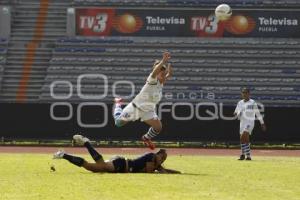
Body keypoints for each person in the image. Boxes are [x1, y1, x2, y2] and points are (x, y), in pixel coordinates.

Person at [112, 51, 173, 150]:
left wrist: (169, 72)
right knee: (118, 123)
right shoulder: (152, 80)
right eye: (160, 70)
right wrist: (163, 62)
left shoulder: (161, 83)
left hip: (148, 111)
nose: (161, 72)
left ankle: (146, 138)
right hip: (135, 108)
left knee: (158, 127)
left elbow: (166, 76)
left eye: (163, 70)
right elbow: (154, 73)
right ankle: (118, 104)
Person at [53, 135, 180, 174]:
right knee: (93, 166)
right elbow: (148, 170)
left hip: (119, 164)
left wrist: (177, 172)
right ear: (158, 155)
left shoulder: (155, 162)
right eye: (163, 157)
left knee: (93, 166)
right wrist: (161, 169)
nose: (162, 160)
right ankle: (85, 143)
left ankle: (64, 154)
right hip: (120, 164)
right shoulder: (151, 156)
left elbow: (161, 169)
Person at [234, 88, 267, 160]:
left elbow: (257, 113)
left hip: (250, 122)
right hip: (242, 122)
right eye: (243, 93)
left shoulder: (253, 102)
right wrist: (237, 113)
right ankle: (246, 155)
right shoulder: (240, 103)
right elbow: (235, 112)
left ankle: (244, 154)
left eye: (246, 92)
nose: (244, 94)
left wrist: (262, 123)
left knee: (243, 137)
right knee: (245, 139)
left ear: (249, 94)